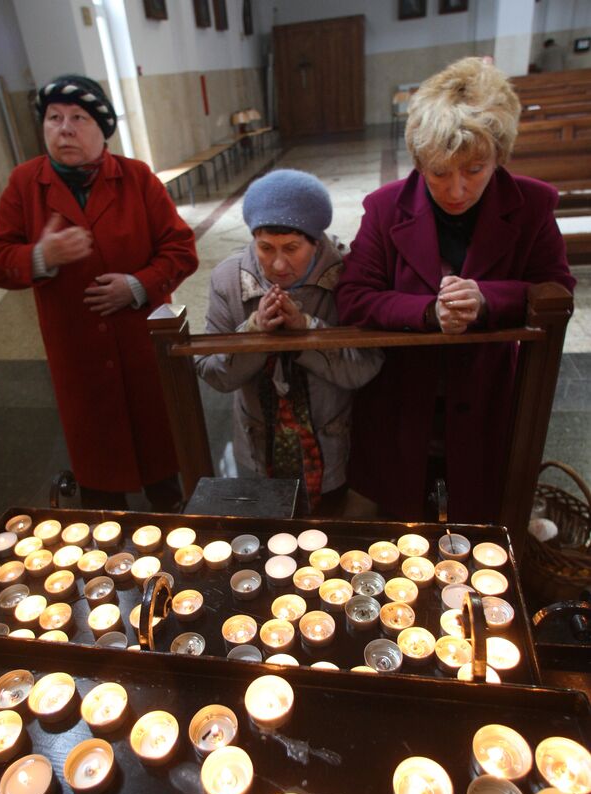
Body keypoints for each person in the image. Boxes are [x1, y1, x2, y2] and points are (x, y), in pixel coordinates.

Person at [335, 57, 575, 523]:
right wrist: (428, 311)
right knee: (401, 508)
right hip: (402, 395)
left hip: (486, 390)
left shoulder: (531, 204)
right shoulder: (385, 209)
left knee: (477, 503)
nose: (457, 189)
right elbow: (354, 297)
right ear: (420, 160)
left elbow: (557, 290)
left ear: (498, 157)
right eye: (440, 171)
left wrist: (488, 299)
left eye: (475, 169)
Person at [0, 74, 198, 511]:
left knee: (161, 452)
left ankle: (179, 532)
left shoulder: (136, 178)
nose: (63, 128)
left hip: (142, 345)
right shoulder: (26, 184)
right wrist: (41, 256)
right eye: (54, 118)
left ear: (103, 130)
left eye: (78, 117)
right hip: (76, 352)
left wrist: (137, 286)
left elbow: (181, 249)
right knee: (98, 465)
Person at [197, 169, 383, 514]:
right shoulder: (229, 279)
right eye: (265, 248)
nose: (278, 264)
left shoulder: (346, 274)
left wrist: (307, 332)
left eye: (292, 248)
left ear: (316, 241)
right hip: (257, 447)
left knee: (328, 529)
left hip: (332, 447)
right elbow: (212, 372)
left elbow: (366, 366)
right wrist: (253, 332)